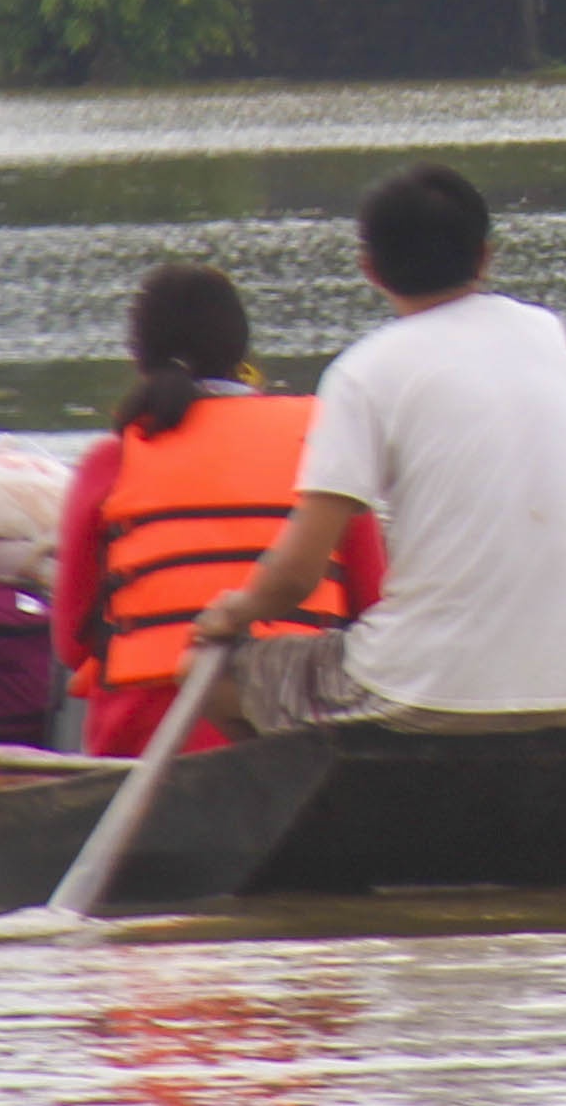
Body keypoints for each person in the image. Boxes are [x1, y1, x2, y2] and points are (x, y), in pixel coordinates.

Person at [188, 162, 566, 731]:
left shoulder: (365, 372)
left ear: (370, 269)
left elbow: (297, 575)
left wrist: (233, 612)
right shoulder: (546, 334)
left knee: (208, 675)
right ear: (485, 256)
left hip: (427, 688)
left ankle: (334, 820)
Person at [53, 263, 381, 758]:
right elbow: (373, 603)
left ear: (139, 356)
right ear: (240, 350)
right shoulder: (320, 437)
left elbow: (70, 644)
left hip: (145, 744)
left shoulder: (113, 458)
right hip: (301, 726)